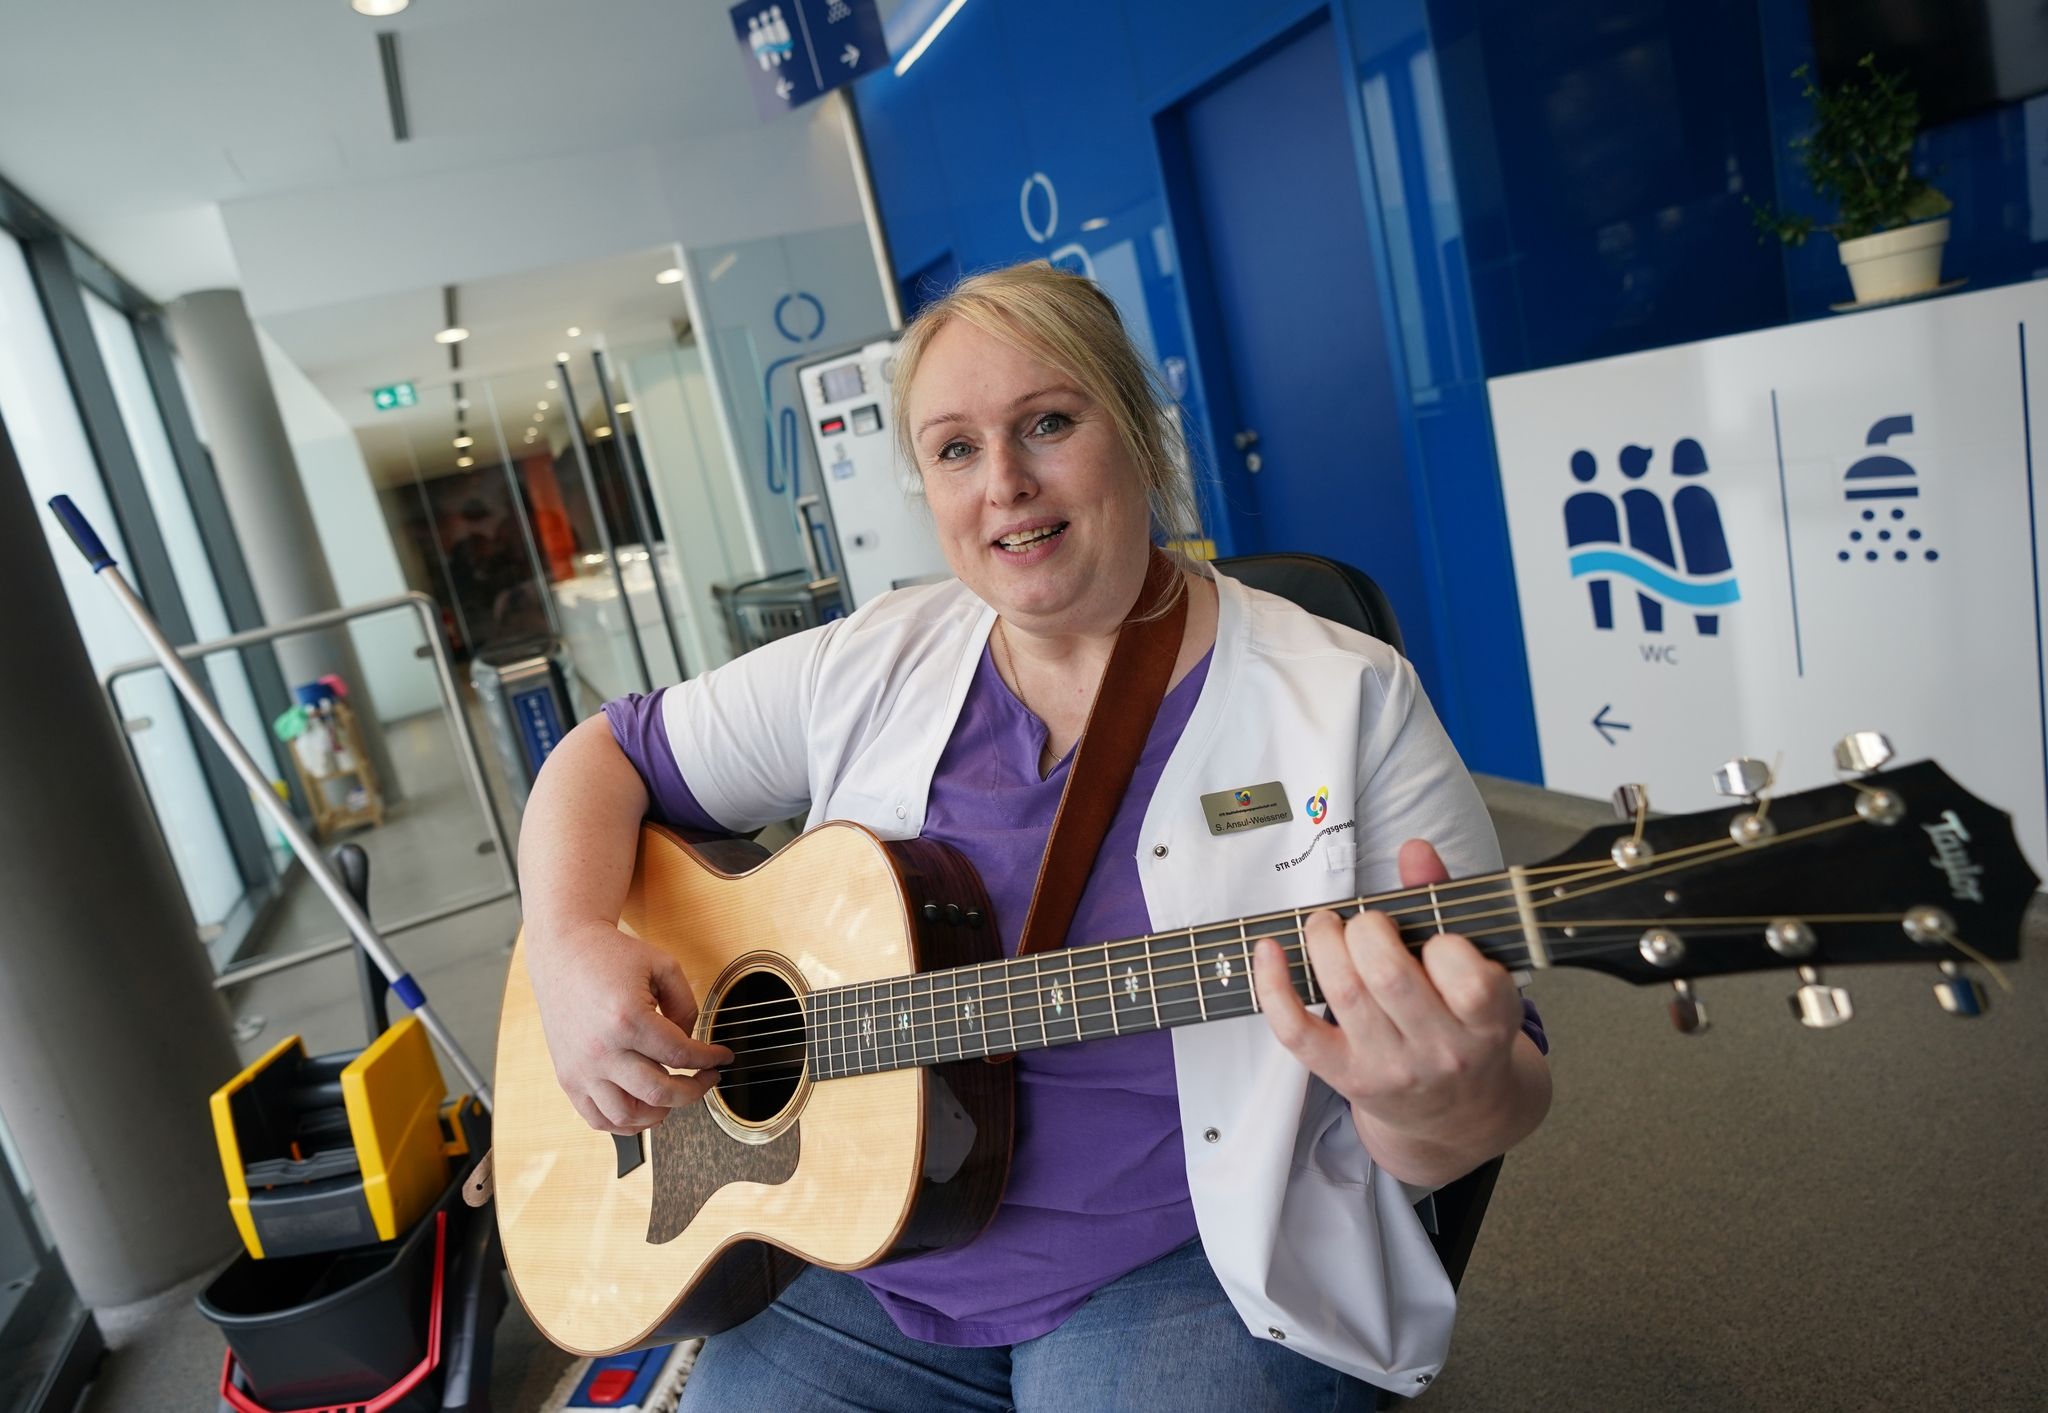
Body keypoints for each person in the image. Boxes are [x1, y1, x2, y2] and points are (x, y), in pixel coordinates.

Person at [516, 261, 1552, 1409]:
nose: (1003, 483)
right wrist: (565, 945)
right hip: (866, 1253)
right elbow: (601, 754)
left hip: (1182, 1266)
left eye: (1047, 423)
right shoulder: (873, 658)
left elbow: (1497, 1075)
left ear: (1138, 437)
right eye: (954, 449)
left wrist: (1434, 1104)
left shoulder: (1342, 699)